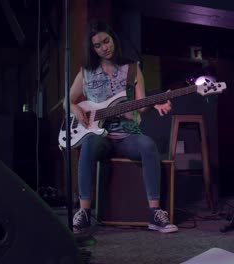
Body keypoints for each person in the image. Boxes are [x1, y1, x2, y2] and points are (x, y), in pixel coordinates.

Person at [67, 21, 178, 234]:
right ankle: (84, 212)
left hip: (128, 135)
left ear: (113, 39)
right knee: (89, 144)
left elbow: (141, 105)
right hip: (100, 137)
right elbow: (68, 100)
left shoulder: (132, 68)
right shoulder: (86, 73)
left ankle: (154, 213)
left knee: (147, 145)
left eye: (106, 42)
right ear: (92, 49)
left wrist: (155, 103)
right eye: (97, 45)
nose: (104, 48)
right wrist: (74, 109)